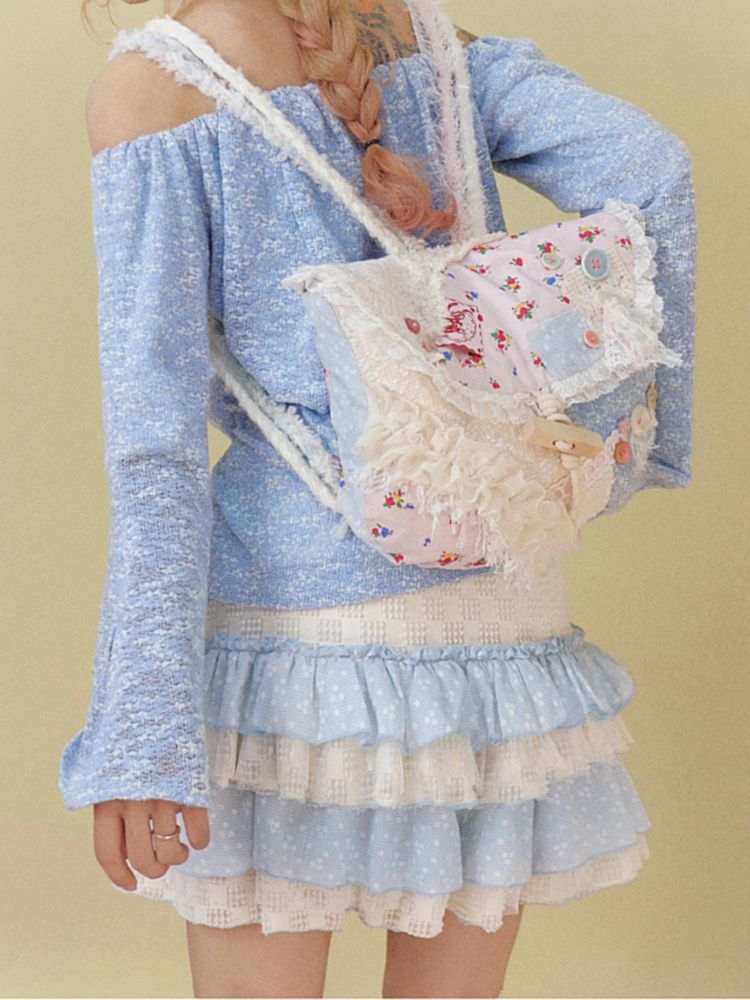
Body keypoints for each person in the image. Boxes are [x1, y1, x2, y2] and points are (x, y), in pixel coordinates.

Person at [60, 0, 696, 996]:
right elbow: (653, 170)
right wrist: (616, 443)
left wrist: (142, 735)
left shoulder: (151, 90)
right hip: (501, 627)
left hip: (297, 654)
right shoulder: (424, 36)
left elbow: (158, 450)